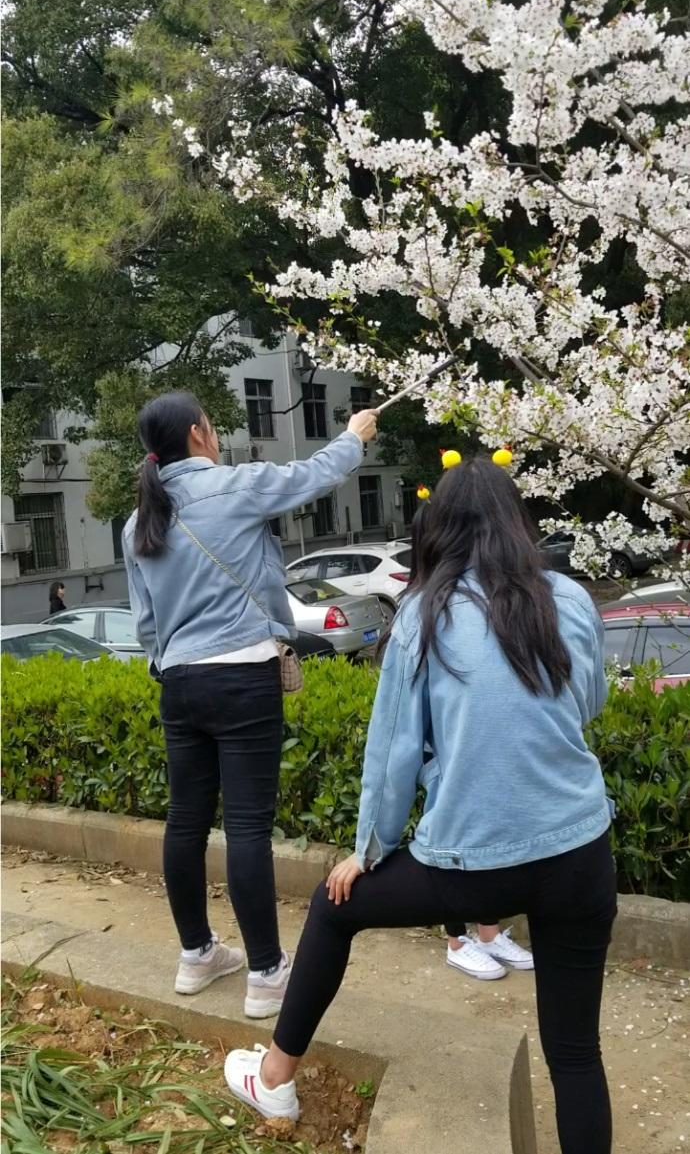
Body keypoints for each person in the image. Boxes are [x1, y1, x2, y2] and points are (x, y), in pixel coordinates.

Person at [225, 456, 617, 1154]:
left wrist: (368, 850)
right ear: (517, 522)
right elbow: (586, 704)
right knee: (575, 1053)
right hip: (580, 852)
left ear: (439, 530)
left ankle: (275, 1076)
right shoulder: (568, 597)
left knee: (332, 907)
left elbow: (394, 755)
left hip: (472, 865)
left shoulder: (424, 613)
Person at [123, 390, 377, 1018]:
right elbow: (313, 475)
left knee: (185, 821)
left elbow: (146, 622)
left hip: (178, 681)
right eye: (211, 425)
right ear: (197, 433)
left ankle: (196, 955)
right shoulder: (233, 486)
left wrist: (172, 665)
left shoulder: (137, 523)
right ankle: (265, 974)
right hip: (242, 675)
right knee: (245, 827)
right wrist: (354, 435)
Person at [414, 504, 535, 981]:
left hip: (471, 756)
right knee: (453, 850)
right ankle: (455, 941)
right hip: (442, 760)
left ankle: (488, 933)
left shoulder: (466, 599)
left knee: (483, 847)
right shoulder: (422, 608)